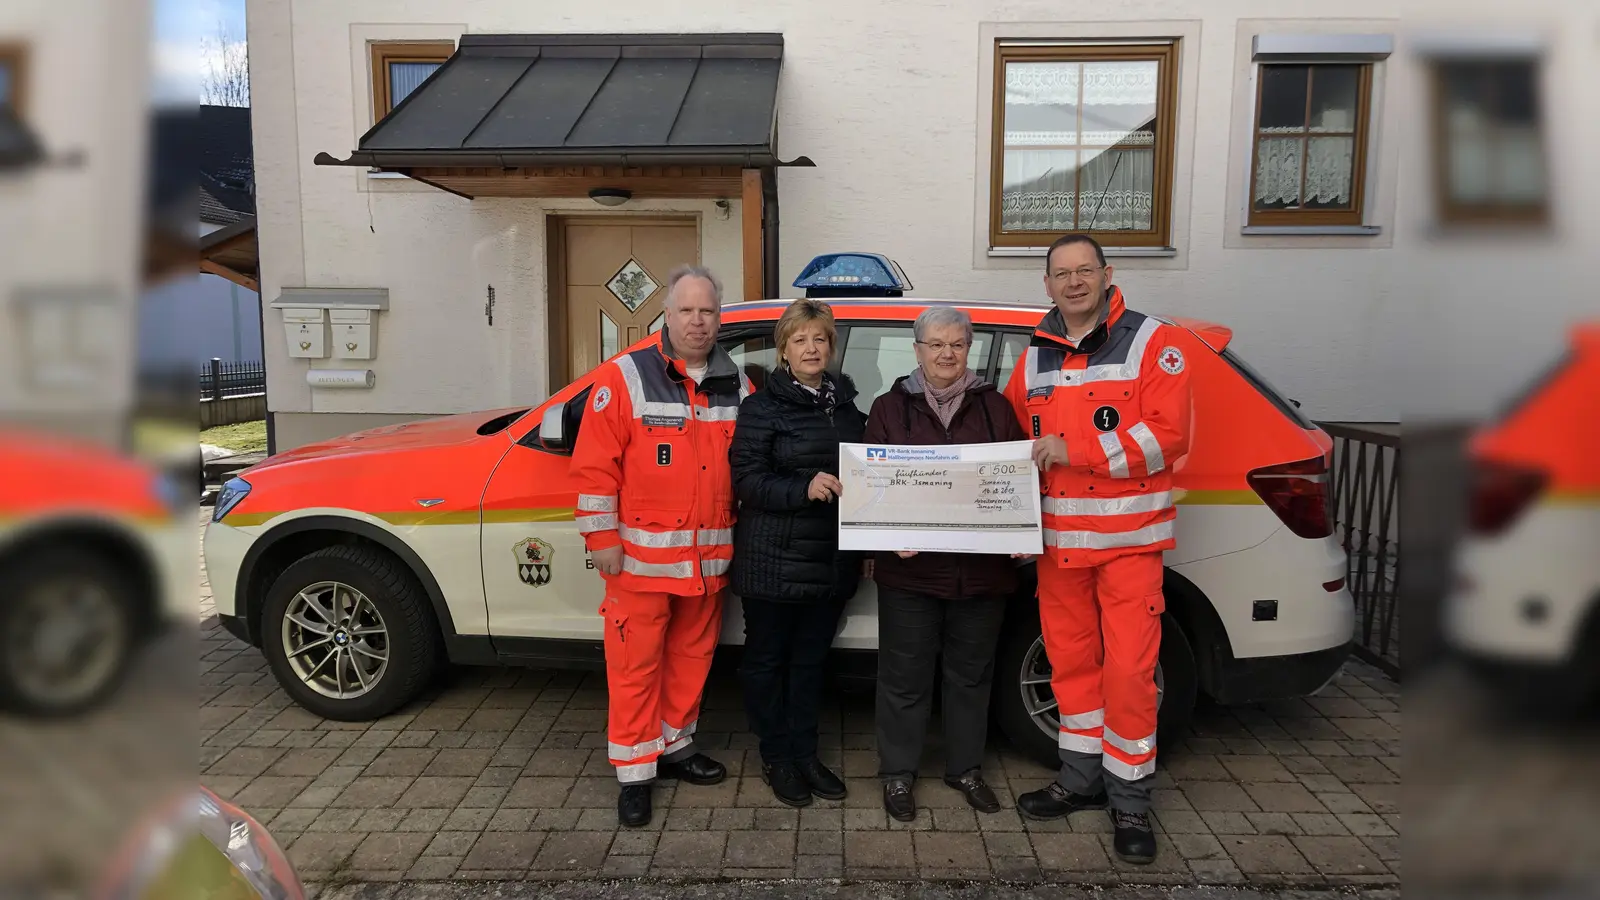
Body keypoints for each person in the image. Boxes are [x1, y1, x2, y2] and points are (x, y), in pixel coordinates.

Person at [1002, 234, 1192, 864]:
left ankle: (1131, 800)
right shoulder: (1033, 357)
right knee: (1071, 668)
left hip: (1127, 547)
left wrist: (1077, 451)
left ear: (1108, 274)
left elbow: (1169, 435)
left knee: (1132, 674)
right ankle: (1080, 781)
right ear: (1047, 284)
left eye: (1085, 270)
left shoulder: (1151, 342)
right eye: (1062, 273)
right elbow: (1009, 446)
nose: (1074, 282)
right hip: (1058, 552)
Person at [571, 264, 751, 828]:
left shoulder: (736, 384)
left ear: (719, 319)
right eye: (687, 311)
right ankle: (634, 772)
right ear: (666, 316)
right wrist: (601, 539)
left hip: (708, 563)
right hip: (640, 563)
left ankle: (675, 746)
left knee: (692, 659)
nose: (698, 322)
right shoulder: (623, 378)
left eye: (708, 312)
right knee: (635, 667)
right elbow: (595, 471)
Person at [863, 306, 1028, 823]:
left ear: (969, 349)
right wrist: (886, 538)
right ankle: (897, 773)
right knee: (904, 677)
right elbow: (871, 487)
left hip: (982, 574)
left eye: (956, 344)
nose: (946, 354)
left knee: (971, 677)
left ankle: (965, 768)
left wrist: (1021, 528)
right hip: (910, 573)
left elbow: (1017, 479)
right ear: (917, 350)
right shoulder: (888, 408)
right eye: (935, 344)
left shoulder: (996, 408)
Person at [728, 298, 868, 807]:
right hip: (774, 561)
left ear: (831, 347)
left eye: (820, 339)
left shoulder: (849, 409)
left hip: (829, 562)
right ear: (783, 349)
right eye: (800, 339)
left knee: (811, 663)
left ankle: (806, 753)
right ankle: (777, 756)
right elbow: (746, 480)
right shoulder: (761, 407)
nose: (811, 348)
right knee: (768, 661)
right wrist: (800, 488)